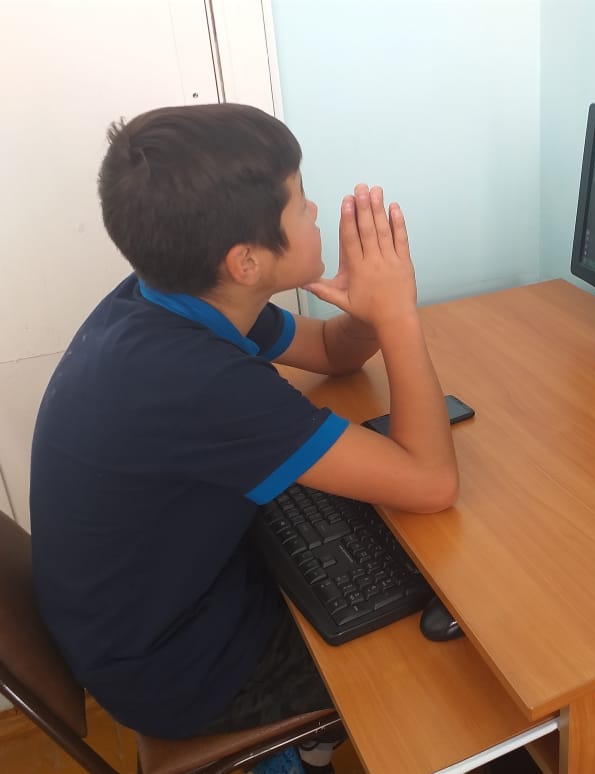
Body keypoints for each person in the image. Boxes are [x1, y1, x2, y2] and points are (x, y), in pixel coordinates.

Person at [29, 103, 458, 773]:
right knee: (439, 650)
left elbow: (332, 352)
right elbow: (431, 483)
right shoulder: (198, 380)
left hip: (140, 617)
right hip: (179, 674)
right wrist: (400, 313)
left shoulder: (174, 297)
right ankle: (300, 750)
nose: (315, 212)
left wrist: (368, 311)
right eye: (300, 203)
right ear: (246, 261)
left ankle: (309, 744)